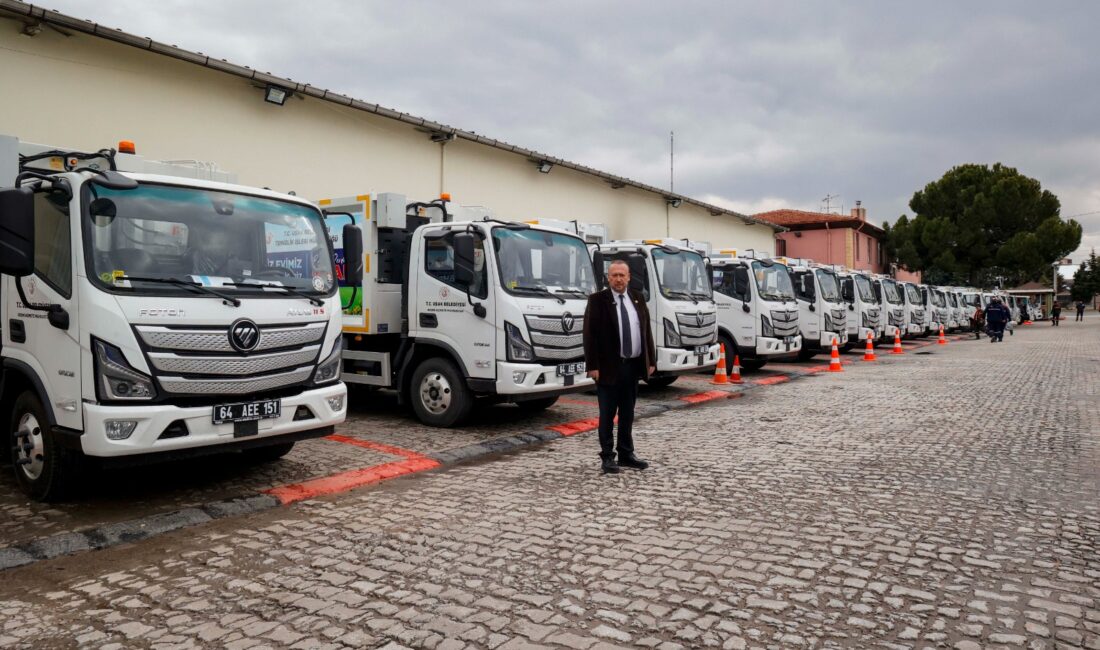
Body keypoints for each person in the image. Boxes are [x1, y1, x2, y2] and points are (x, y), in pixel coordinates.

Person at [583, 260, 656, 475]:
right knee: (607, 414)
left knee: (628, 413)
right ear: (608, 277)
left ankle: (626, 453)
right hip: (607, 368)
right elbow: (589, 335)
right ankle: (607, 457)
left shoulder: (638, 298)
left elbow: (646, 332)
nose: (618, 279)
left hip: (631, 367)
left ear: (629, 277)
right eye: (614, 275)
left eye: (622, 275)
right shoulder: (598, 300)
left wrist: (650, 360)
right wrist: (592, 365)